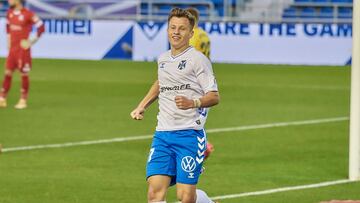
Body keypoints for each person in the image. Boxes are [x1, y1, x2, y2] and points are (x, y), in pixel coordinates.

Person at [130, 8, 220, 203]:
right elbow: (161, 82)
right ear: (167, 30)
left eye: (181, 28)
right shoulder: (163, 59)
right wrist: (142, 105)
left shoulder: (199, 60)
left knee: (185, 197)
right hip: (162, 135)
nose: (176, 32)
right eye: (172, 28)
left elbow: (214, 96)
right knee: (154, 193)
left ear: (191, 33)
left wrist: (193, 102)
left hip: (189, 134)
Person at [0, 0, 45, 109]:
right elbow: (7, 28)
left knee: (23, 74)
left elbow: (41, 27)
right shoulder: (9, 13)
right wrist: (9, 41)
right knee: (7, 73)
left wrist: (31, 41)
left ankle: (23, 100)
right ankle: (2, 98)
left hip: (23, 51)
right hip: (12, 50)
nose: (9, 1)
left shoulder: (28, 14)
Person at [186, 7, 215, 160]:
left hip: (194, 81)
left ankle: (201, 147)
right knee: (197, 118)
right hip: (206, 80)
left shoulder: (192, 37)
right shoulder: (204, 35)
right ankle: (201, 146)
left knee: (187, 117)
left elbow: (190, 60)